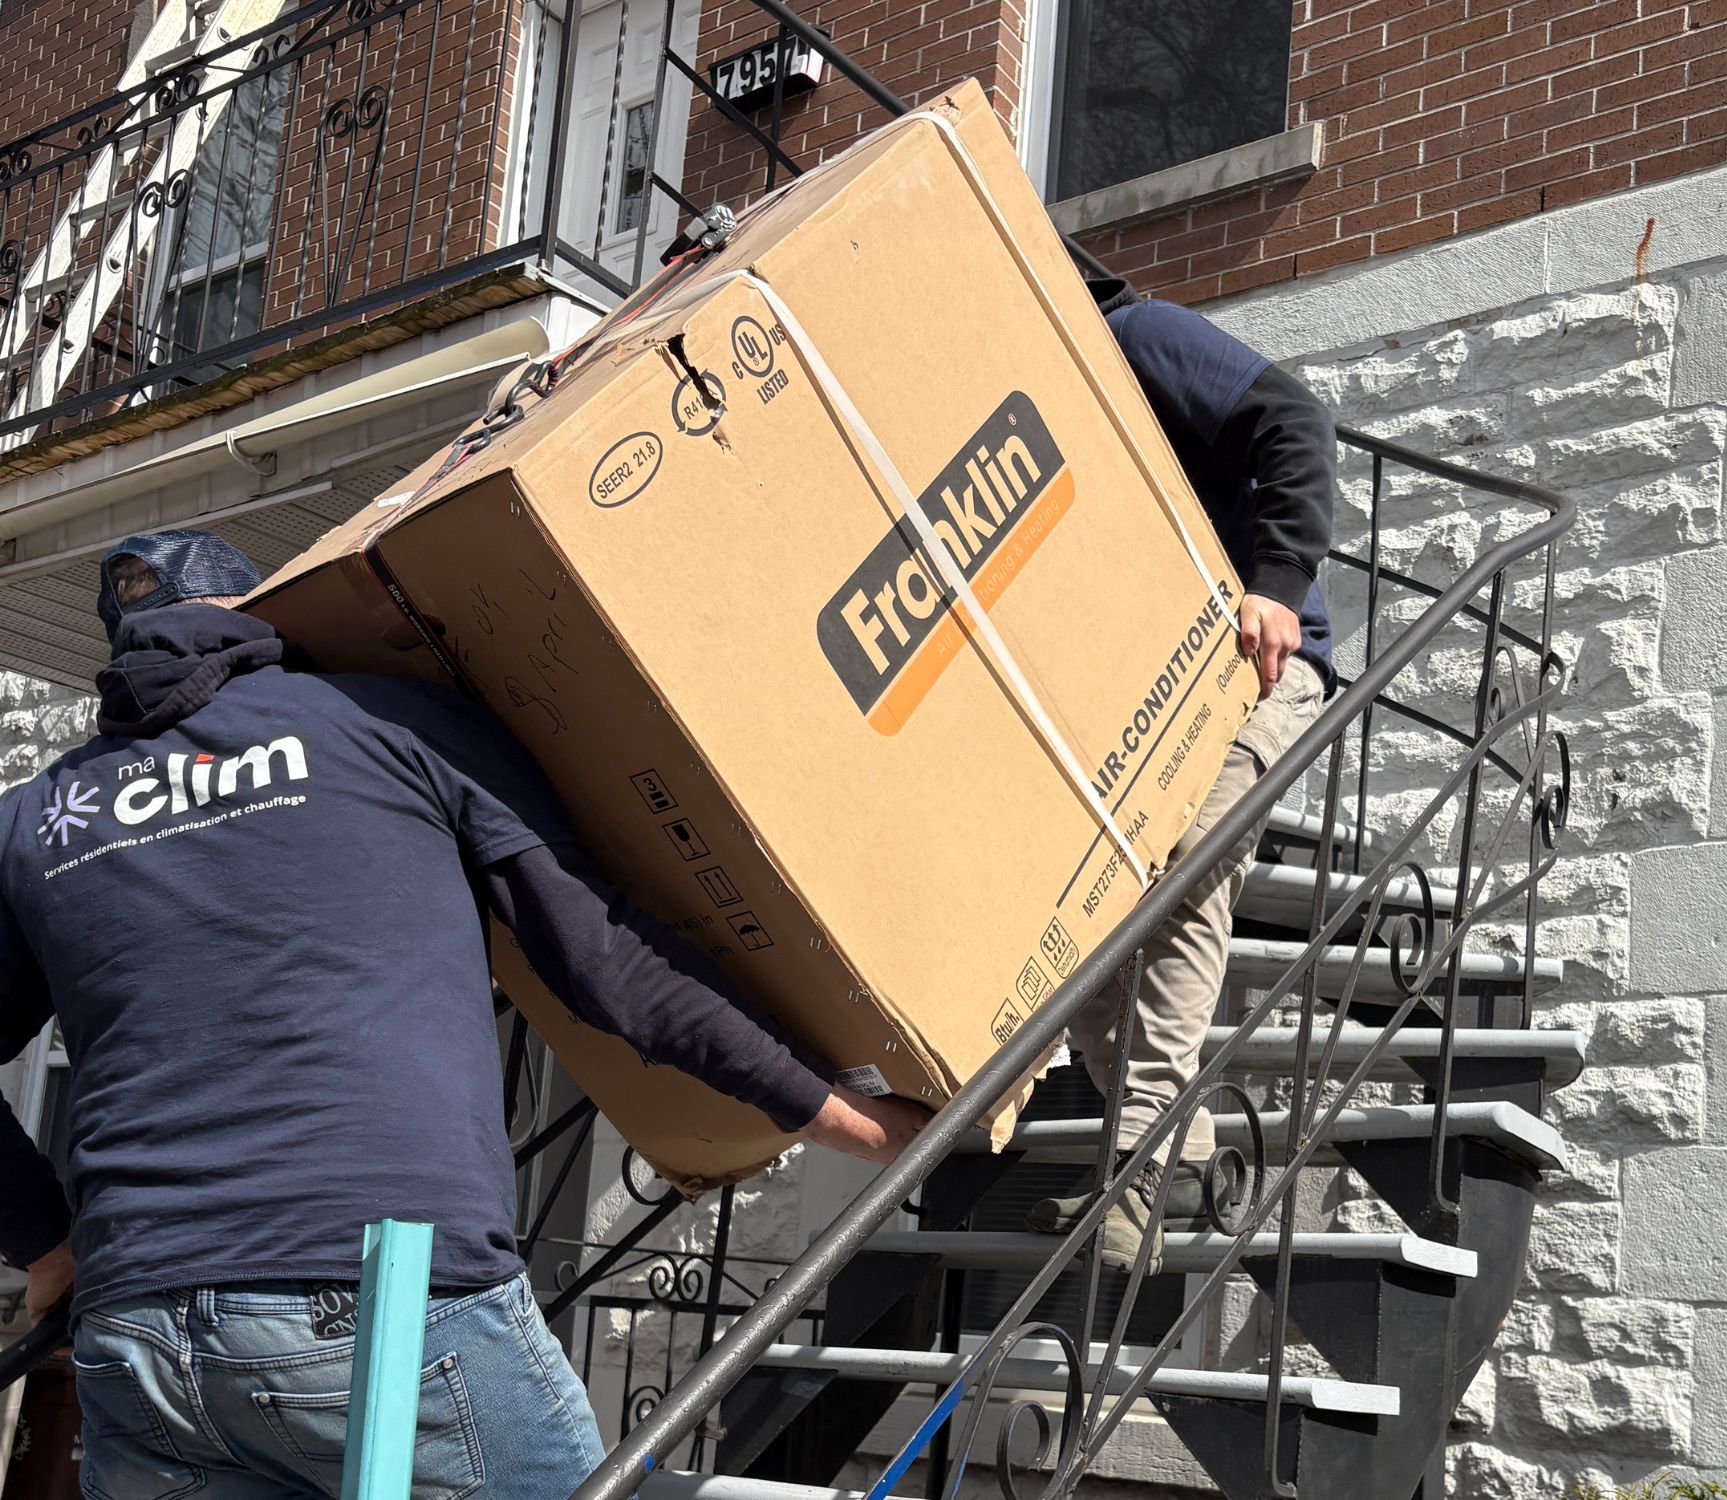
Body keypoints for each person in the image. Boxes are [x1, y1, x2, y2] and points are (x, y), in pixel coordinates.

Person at [0, 531, 929, 1500]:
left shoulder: (32, 820)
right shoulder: (391, 723)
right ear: (257, 615)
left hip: (138, 1332)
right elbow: (604, 960)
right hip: (377, 1302)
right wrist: (839, 1112)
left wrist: (47, 1244)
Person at [1027, 279, 1337, 1274]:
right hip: (1140, 705)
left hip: (1256, 665)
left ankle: (1140, 1170)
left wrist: (1275, 586)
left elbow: (1293, 420)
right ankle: (1186, 1154)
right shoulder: (1023, 386)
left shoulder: (1132, 332)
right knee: (1075, 917)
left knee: (1189, 862)